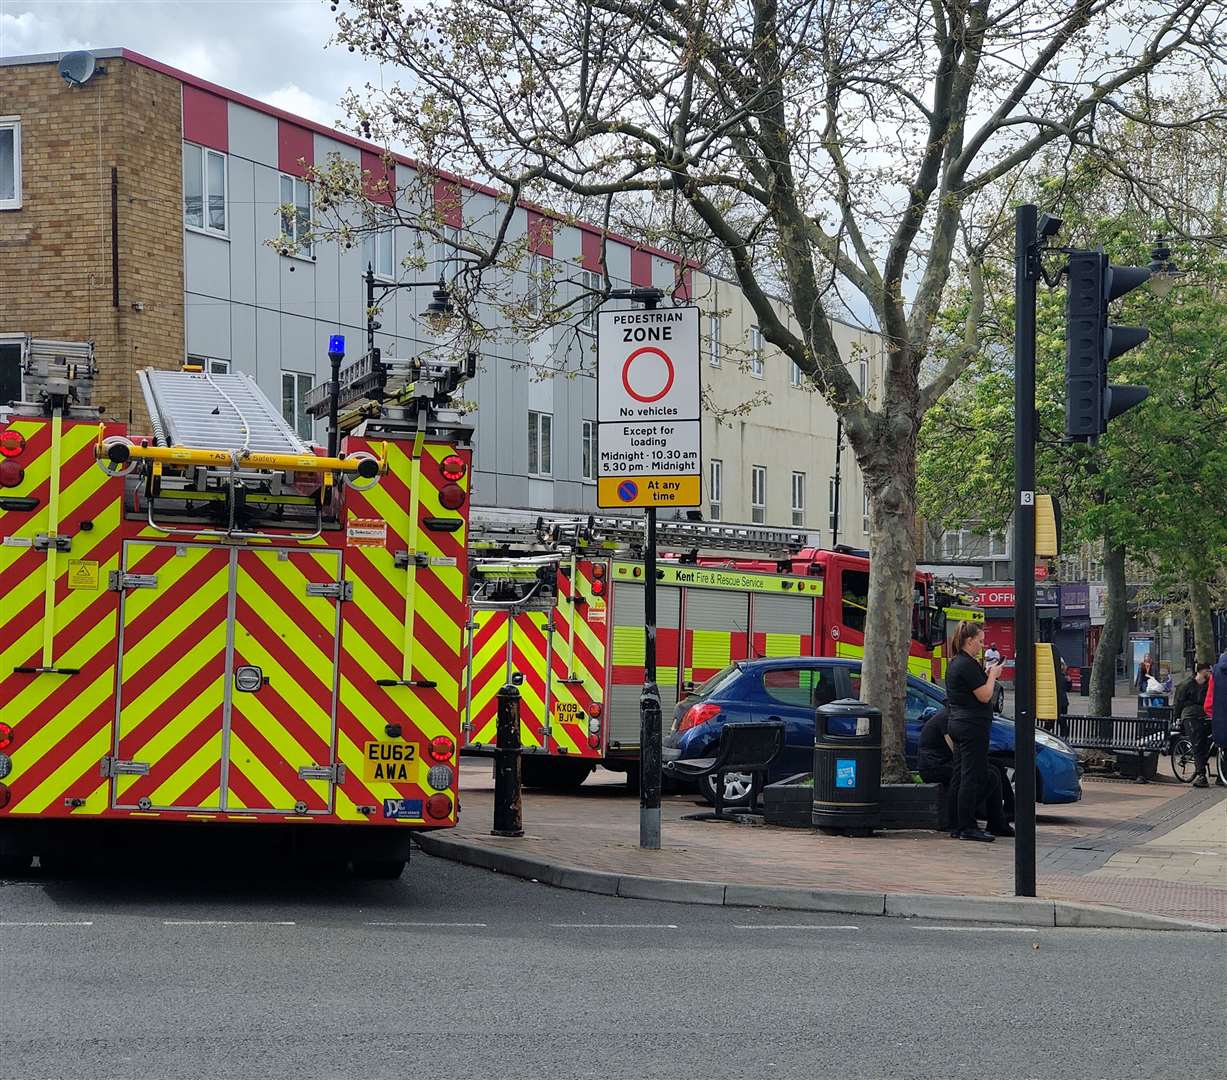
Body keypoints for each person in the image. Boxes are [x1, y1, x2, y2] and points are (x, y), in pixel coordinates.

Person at [944, 620, 1003, 843]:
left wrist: (986, 674)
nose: (982, 645)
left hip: (959, 723)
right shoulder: (967, 664)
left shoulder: (957, 663)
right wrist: (993, 675)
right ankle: (967, 826)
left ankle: (956, 824)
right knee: (972, 775)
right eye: (980, 641)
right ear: (969, 641)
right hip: (971, 726)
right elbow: (985, 695)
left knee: (960, 774)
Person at [917, 707, 1012, 836]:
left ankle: (1000, 819)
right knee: (989, 775)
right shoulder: (948, 718)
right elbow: (956, 750)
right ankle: (976, 815)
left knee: (995, 768)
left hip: (945, 762)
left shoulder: (953, 715)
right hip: (935, 767)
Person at [1174, 663, 1213, 786]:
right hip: (1190, 716)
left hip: (1204, 715)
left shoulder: (1208, 685)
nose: (1211, 673)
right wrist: (1177, 719)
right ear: (1202, 671)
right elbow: (1178, 703)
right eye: (1209, 671)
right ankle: (1201, 775)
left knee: (1207, 741)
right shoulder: (1186, 685)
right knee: (1197, 742)